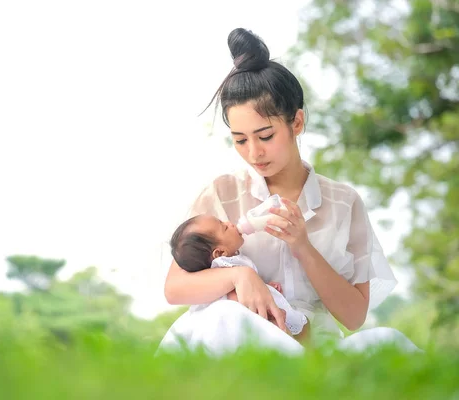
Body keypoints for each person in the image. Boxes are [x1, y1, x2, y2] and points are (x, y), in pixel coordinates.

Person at [157, 28, 421, 356]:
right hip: (246, 341)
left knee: (388, 344)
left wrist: (303, 247)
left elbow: (354, 317)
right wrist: (240, 277)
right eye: (240, 140)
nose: (254, 152)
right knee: (222, 317)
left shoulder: (344, 203)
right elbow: (175, 287)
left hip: (316, 346)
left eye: (265, 136)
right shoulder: (221, 194)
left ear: (296, 122)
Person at [169, 213, 309, 340]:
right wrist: (269, 316)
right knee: (299, 329)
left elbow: (247, 288)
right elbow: (234, 297)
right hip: (248, 319)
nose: (230, 223)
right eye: (224, 228)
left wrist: (266, 288)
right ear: (219, 253)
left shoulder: (230, 262)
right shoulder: (223, 265)